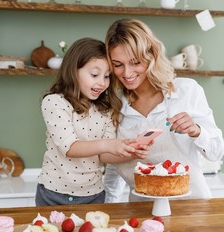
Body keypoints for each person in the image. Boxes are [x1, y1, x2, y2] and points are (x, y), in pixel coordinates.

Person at [101, 19, 224, 201]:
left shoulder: (186, 90)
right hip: (140, 211)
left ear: (150, 56)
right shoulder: (114, 104)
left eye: (135, 62)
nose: (127, 73)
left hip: (192, 206)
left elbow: (216, 152)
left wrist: (196, 131)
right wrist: (109, 206)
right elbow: (114, 163)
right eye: (118, 64)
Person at [36, 37, 148, 206]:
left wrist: (129, 151)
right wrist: (109, 145)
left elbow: (105, 156)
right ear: (73, 71)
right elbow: (69, 147)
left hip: (93, 195)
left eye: (107, 76)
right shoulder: (55, 102)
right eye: (95, 75)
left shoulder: (107, 108)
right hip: (53, 194)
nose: (102, 83)